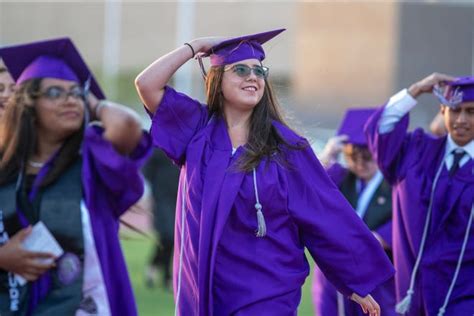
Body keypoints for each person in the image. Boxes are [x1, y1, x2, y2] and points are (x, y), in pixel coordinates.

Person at [135, 28, 394, 316]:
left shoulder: (286, 149)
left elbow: (323, 211)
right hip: (206, 289)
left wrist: (354, 281)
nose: (252, 77)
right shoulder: (196, 132)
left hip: (266, 292)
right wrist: (197, 46)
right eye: (241, 69)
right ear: (217, 80)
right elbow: (146, 84)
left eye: (260, 71)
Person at [0, 38, 151, 316]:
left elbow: (127, 127)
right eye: (55, 92)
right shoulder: (6, 170)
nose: (70, 100)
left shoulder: (92, 162)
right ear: (28, 105)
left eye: (75, 93)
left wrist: (91, 102)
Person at [365, 73, 474, 316]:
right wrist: (415, 90)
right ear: (442, 111)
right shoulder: (416, 151)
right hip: (412, 295)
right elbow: (381, 130)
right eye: (454, 110)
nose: (462, 120)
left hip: (465, 299)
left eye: (472, 112)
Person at [312, 108, 396, 316]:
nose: (360, 163)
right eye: (352, 156)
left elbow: (406, 220)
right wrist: (328, 155)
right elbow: (310, 189)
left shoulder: (394, 183)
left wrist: (379, 238)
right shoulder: (341, 177)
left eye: (366, 156)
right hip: (336, 269)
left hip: (376, 270)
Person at [143, 148, 179, 289]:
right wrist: (154, 189)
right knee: (168, 235)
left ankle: (156, 269)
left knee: (173, 237)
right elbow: (148, 169)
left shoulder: (185, 141)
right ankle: (166, 276)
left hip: (179, 197)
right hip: (162, 197)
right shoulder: (160, 145)